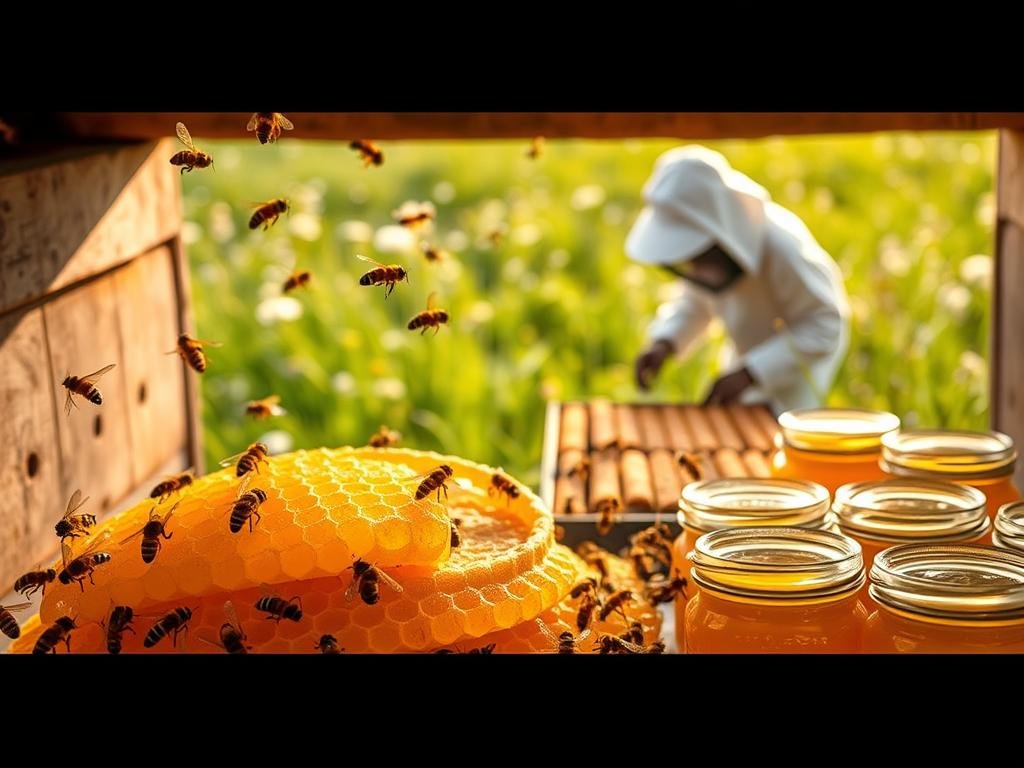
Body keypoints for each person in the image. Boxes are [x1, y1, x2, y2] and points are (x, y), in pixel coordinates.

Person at [626, 145, 850, 413]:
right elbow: (695, 302)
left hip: (796, 368)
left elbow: (824, 324)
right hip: (747, 354)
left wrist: (751, 373)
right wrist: (664, 343)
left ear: (720, 234)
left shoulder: (784, 248)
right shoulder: (714, 256)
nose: (695, 266)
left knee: (780, 436)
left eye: (699, 254)